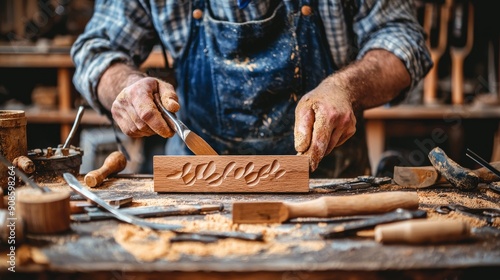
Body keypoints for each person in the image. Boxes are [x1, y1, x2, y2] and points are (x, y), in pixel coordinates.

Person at [71, 0, 432, 178]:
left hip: (328, 181)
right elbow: (97, 49)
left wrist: (345, 86)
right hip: (195, 183)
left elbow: (404, 39)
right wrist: (127, 84)